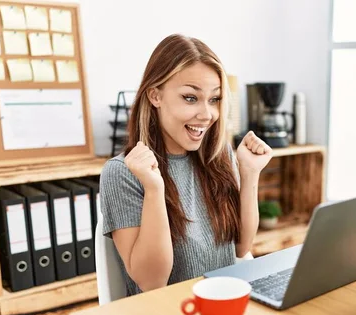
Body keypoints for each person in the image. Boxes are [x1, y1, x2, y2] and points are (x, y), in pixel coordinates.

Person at [100, 34, 272, 296]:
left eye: (214, 99)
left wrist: (249, 173)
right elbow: (151, 282)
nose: (206, 115)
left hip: (222, 306)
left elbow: (241, 247)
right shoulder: (122, 172)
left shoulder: (217, 155)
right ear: (155, 95)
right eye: (190, 98)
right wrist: (155, 189)